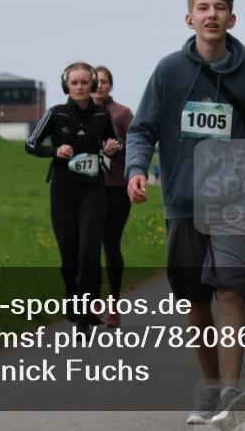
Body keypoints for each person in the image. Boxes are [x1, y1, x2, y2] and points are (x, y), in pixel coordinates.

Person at [126, 0, 245, 430]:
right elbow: (141, 128)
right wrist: (136, 168)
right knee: (195, 300)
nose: (212, 15)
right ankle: (212, 390)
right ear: (189, 19)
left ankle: (231, 393)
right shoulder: (169, 71)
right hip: (182, 202)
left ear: (233, 18)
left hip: (232, 201)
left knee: (230, 290)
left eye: (220, 8)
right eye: (203, 8)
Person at [26, 62, 121, 333]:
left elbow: (114, 145)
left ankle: (85, 314)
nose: (79, 87)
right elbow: (30, 144)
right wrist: (55, 151)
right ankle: (71, 293)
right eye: (74, 83)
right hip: (64, 191)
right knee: (69, 257)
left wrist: (112, 149)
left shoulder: (103, 115)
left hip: (93, 189)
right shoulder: (55, 114)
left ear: (92, 85)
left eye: (84, 82)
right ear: (66, 85)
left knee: (89, 252)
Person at [91, 65, 134, 328]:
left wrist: (119, 148)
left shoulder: (122, 114)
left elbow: (140, 144)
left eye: (104, 82)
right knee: (89, 246)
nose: (99, 86)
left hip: (116, 187)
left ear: (110, 85)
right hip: (87, 189)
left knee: (111, 245)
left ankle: (114, 303)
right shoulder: (80, 114)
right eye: (95, 81)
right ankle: (94, 301)